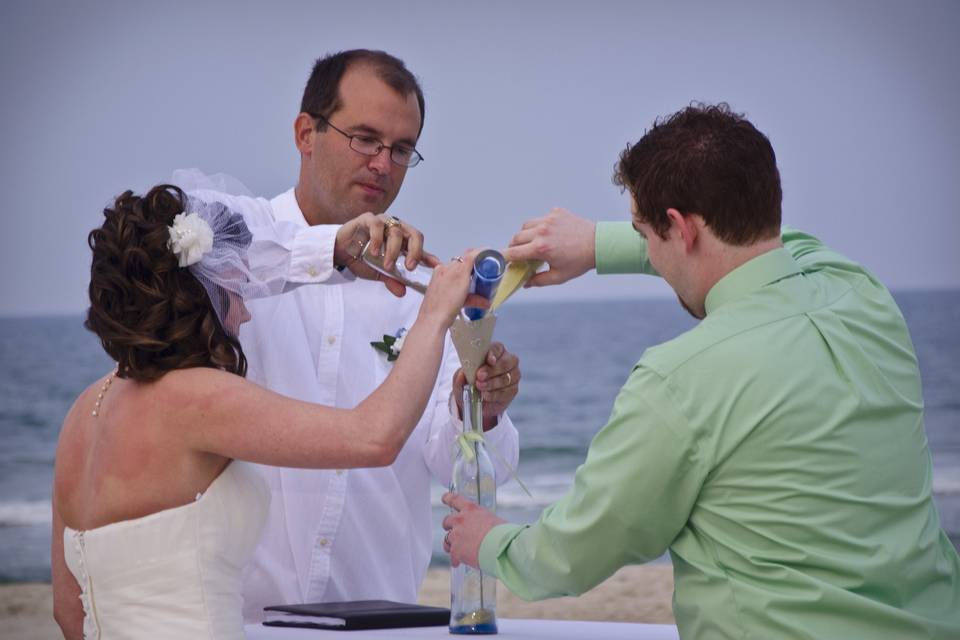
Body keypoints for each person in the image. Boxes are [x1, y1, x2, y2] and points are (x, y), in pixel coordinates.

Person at [442, 103, 960, 638]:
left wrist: (488, 540)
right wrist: (600, 244)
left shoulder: (679, 379)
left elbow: (571, 554)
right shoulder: (862, 293)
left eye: (646, 233)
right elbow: (788, 245)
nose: (650, 253)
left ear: (680, 228)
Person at [51, 183, 484, 639]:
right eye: (235, 289)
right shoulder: (195, 398)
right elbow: (374, 437)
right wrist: (433, 314)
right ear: (201, 294)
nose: (246, 313)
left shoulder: (85, 410)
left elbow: (67, 609)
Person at [236, 49, 521, 619]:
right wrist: (333, 249)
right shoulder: (240, 242)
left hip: (382, 619)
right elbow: (170, 249)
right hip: (238, 619)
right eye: (364, 138)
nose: (382, 164)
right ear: (305, 133)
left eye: (401, 149)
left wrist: (481, 408)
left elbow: (459, 463)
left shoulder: (428, 289)